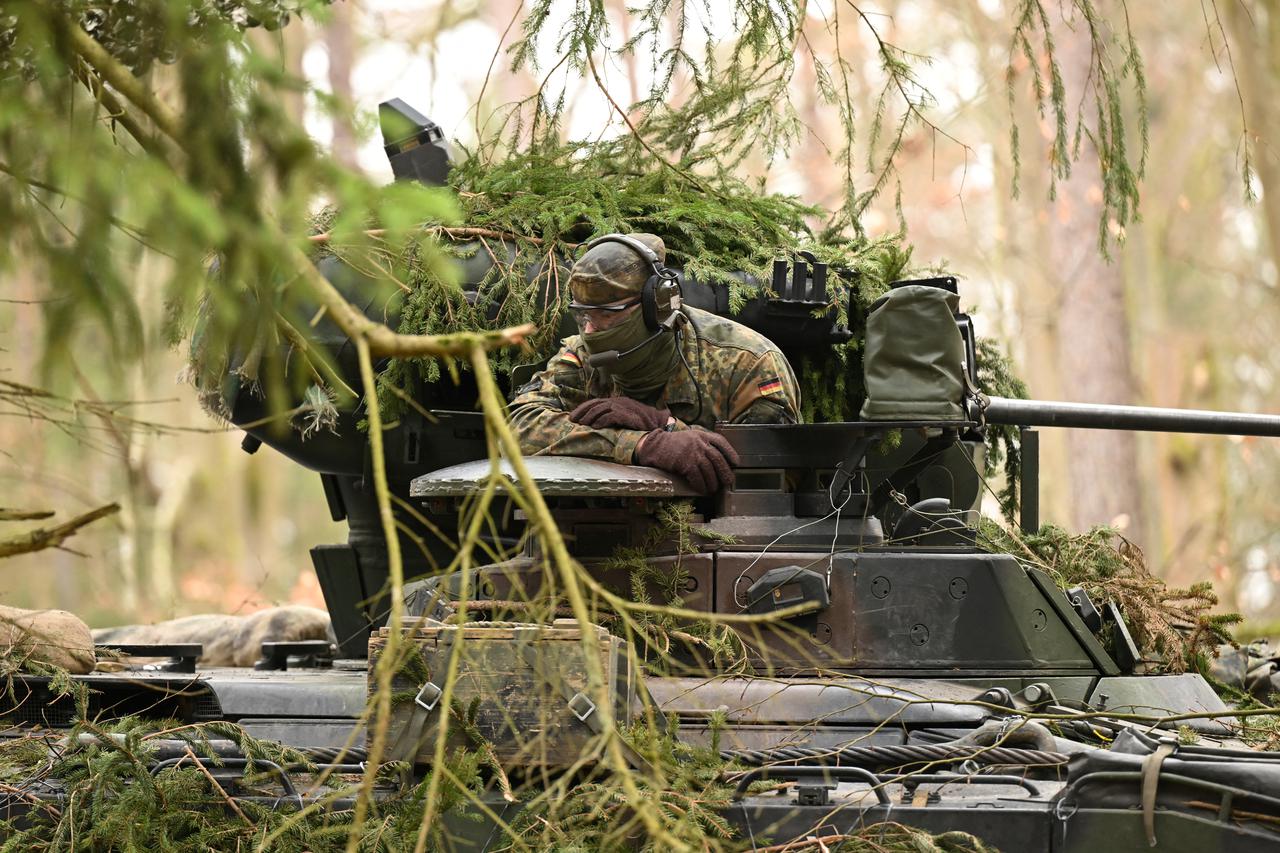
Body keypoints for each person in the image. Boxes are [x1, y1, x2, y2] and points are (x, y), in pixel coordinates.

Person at [510, 233, 801, 493]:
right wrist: (640, 445)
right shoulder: (581, 355)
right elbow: (517, 429)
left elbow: (770, 480)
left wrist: (666, 425)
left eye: (606, 315)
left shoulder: (747, 362)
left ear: (658, 307)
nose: (589, 331)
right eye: (584, 315)